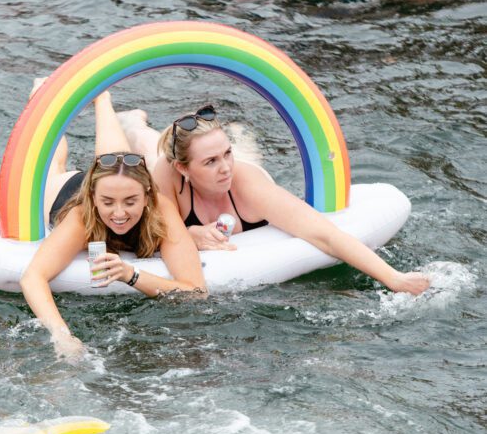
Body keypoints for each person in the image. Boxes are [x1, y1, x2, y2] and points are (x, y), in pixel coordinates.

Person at [118, 104, 430, 295]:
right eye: (211, 161)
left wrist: (395, 278)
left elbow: (326, 235)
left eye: (226, 154)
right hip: (171, 169)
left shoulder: (244, 183)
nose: (224, 167)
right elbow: (144, 236)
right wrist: (189, 234)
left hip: (249, 188)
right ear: (184, 168)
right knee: (150, 149)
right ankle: (134, 123)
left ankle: (239, 138)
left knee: (245, 160)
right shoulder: (168, 176)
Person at [20, 92, 206, 360]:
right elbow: (33, 277)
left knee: (118, 159)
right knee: (53, 164)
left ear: (147, 197)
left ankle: (102, 98)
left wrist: (131, 274)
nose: (119, 214)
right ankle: (41, 96)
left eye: (131, 202)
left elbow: (196, 292)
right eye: (108, 203)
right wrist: (62, 336)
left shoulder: (161, 208)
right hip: (64, 191)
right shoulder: (82, 215)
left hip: (115, 179)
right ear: (94, 199)